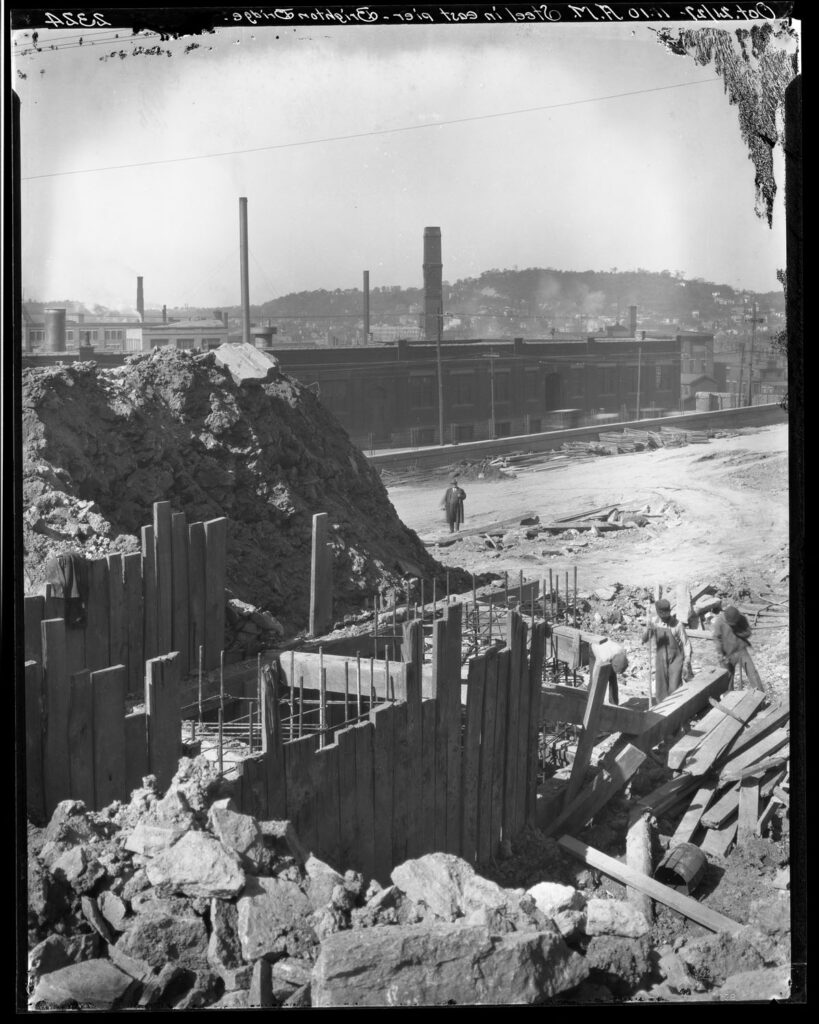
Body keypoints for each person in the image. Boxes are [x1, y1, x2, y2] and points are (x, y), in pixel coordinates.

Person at [642, 598, 692, 701]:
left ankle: (675, 710)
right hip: (660, 659)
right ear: (658, 613)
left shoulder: (677, 625)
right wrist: (647, 630)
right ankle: (661, 712)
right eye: (662, 615)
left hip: (675, 659)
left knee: (674, 688)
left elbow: (686, 643)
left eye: (666, 614)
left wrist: (687, 661)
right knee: (661, 689)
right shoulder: (654, 622)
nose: (664, 617)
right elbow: (644, 640)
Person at [711, 605, 766, 693]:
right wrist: (720, 653)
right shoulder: (719, 622)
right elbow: (717, 638)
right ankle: (729, 697)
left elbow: (748, 632)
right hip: (727, 654)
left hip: (741, 650)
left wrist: (737, 630)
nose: (732, 625)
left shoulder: (741, 618)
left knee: (752, 673)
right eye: (731, 624)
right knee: (727, 678)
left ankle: (760, 695)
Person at [589, 637, 629, 706]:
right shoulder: (604, 657)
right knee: (594, 680)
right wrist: (594, 681)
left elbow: (623, 663)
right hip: (594, 646)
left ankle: (614, 704)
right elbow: (595, 672)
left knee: (612, 678)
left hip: (607, 647)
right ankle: (590, 702)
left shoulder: (620, 651)